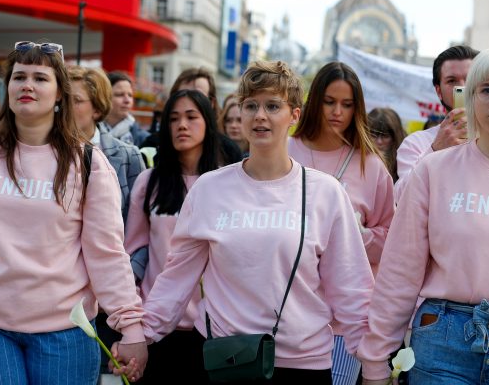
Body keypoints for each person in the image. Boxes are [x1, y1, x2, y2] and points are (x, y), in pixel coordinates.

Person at [130, 60, 374, 384]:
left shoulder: (325, 192)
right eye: (250, 106)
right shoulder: (209, 188)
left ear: (295, 116)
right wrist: (141, 335)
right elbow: (176, 278)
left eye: (273, 106)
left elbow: (351, 287)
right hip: (227, 359)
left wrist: (373, 362)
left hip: (303, 364)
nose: (260, 115)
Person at [358, 47, 489, 385]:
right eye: (486, 90)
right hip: (442, 336)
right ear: (470, 99)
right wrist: (376, 360)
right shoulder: (432, 170)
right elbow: (400, 271)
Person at [0, 41, 147, 384]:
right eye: (19, 77)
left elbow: (107, 254)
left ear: (60, 94)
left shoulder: (89, 164)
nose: (27, 85)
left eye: (40, 78)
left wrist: (132, 328)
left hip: (65, 332)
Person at [288, 61, 393, 385]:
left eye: (347, 105)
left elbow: (391, 239)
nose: (337, 112)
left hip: (344, 321)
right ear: (313, 101)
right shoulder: (286, 151)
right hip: (286, 312)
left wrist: (354, 236)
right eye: (329, 101)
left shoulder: (371, 165)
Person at [123, 89, 222, 383]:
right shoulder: (149, 181)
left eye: (192, 117)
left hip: (211, 330)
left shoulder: (226, 183)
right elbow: (133, 252)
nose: (182, 125)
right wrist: (136, 318)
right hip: (155, 326)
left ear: (208, 122)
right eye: (174, 119)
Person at [395, 45, 479, 202]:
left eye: (470, 79)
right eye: (452, 81)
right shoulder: (416, 144)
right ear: (438, 91)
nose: (462, 87)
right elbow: (401, 198)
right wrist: (435, 150)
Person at [68, 66, 145, 221]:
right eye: (63, 100)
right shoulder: (45, 150)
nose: (66, 107)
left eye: (76, 100)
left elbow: (137, 224)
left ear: (97, 108)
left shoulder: (128, 156)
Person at [101, 71, 150, 147]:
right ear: (104, 97)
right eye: (120, 94)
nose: (127, 100)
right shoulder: (89, 135)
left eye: (130, 95)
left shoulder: (144, 139)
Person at [367, 107, 406, 182]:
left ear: (395, 138)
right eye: (373, 135)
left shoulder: (404, 164)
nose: (379, 142)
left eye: (385, 136)